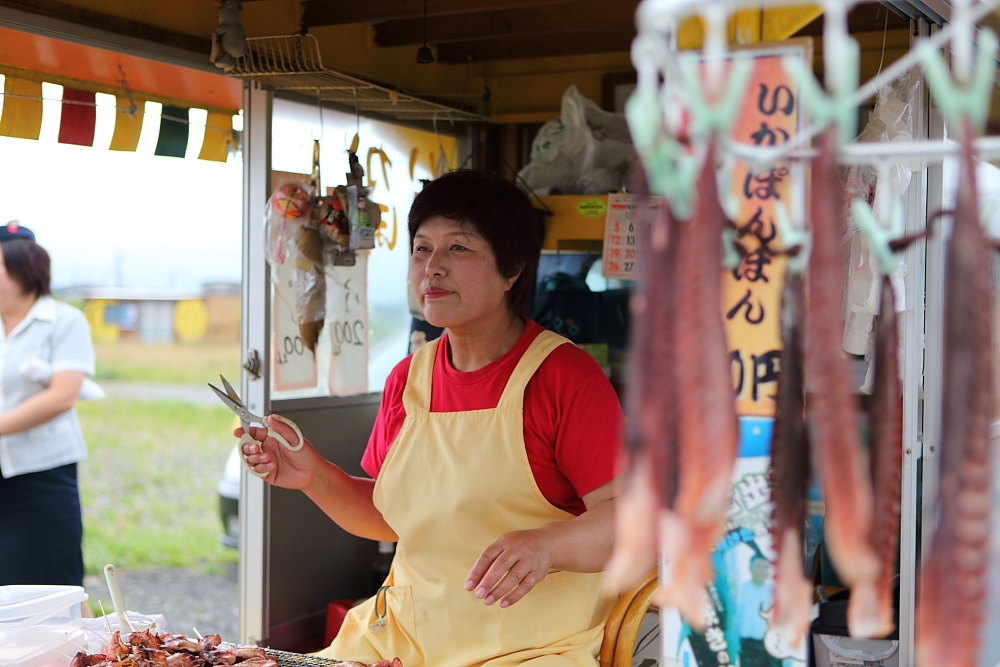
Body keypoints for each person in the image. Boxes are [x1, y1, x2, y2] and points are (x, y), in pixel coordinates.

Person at [239, 169, 624, 666]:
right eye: (422, 249)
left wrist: (548, 546)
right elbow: (394, 518)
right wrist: (315, 477)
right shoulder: (408, 378)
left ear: (512, 271)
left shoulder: (565, 378)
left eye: (459, 249)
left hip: (530, 651)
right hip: (404, 637)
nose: (432, 268)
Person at [0, 221, 97, 594]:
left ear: (25, 269)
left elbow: (62, 396)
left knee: (55, 578)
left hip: (42, 473)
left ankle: (85, 651)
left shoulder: (64, 321)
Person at [737, 554, 781, 667]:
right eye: (758, 566)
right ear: (750, 568)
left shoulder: (775, 592)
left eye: (765, 567)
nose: (762, 570)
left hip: (771, 645)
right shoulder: (740, 590)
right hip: (747, 646)